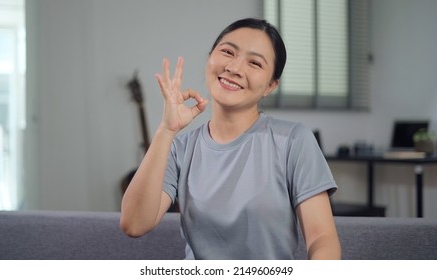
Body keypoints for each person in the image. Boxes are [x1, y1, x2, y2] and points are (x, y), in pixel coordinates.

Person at [120, 18, 341, 260]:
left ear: (270, 85)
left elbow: (322, 238)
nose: (234, 68)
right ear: (209, 58)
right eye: (227, 52)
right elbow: (134, 224)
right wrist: (166, 130)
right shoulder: (179, 149)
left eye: (255, 63)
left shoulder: (293, 141)